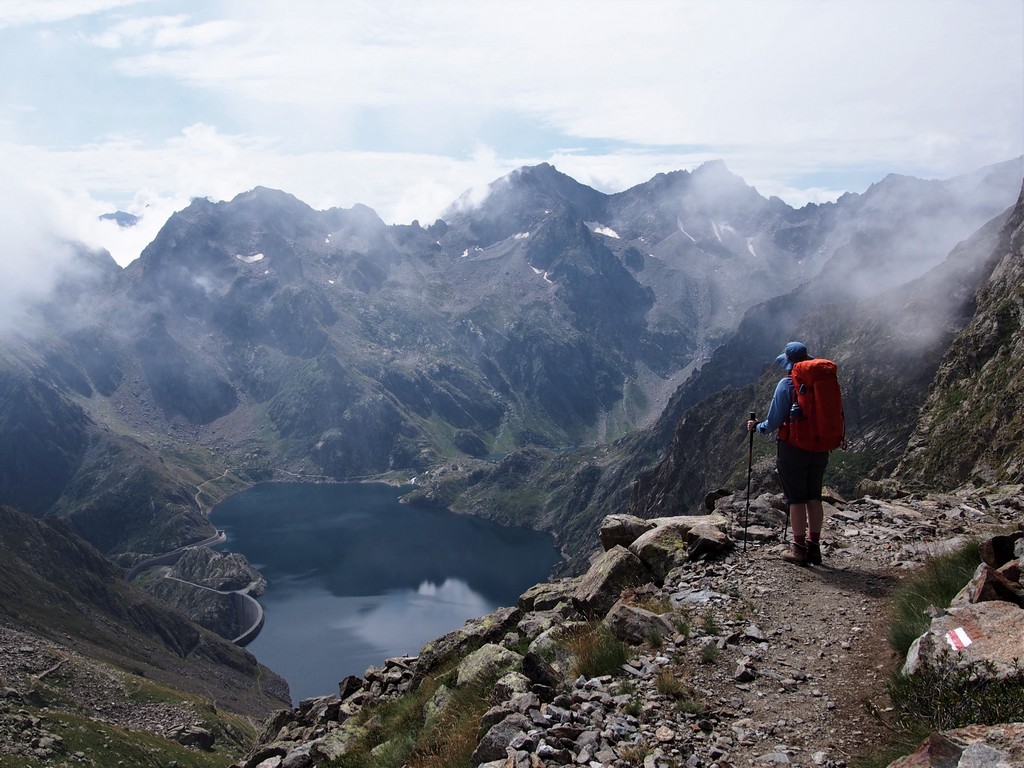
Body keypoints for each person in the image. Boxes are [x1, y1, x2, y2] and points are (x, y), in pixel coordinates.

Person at [746, 341, 830, 566]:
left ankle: (798, 549)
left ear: (790, 363)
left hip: (793, 448)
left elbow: (773, 421)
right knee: (814, 496)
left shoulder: (787, 384)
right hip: (820, 446)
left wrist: (757, 427)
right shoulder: (822, 384)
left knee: (795, 499)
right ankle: (815, 547)